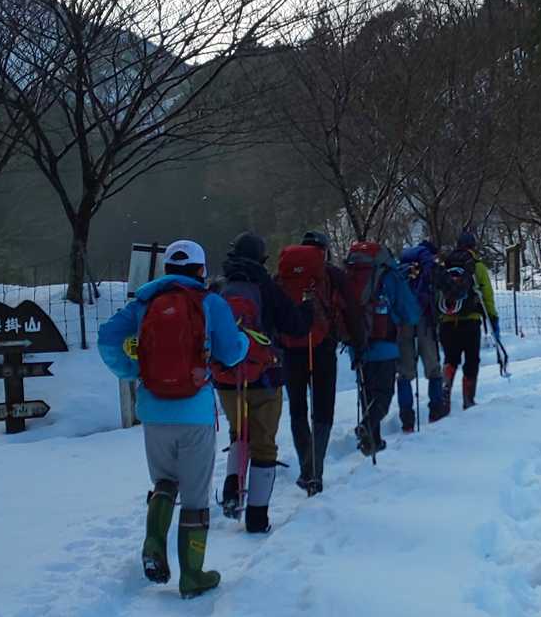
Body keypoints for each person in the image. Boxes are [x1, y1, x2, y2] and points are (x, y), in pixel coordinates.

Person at [98, 238, 248, 598]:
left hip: (153, 410)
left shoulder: (145, 303)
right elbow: (231, 353)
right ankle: (192, 576)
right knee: (195, 497)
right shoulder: (209, 302)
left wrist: (133, 370)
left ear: (166, 269)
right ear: (201, 269)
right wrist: (242, 340)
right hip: (195, 411)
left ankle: (154, 541)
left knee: (164, 482)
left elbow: (107, 338)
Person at [214, 231, 313, 533]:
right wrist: (307, 309)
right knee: (264, 445)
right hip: (265, 377)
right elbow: (295, 327)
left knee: (238, 433)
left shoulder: (219, 289)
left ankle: (233, 488)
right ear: (262, 258)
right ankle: (257, 518)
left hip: (227, 378)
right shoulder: (268, 289)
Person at [276, 231, 364, 496]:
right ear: (324, 250)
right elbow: (351, 309)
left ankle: (307, 467)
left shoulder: (283, 275)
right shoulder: (333, 275)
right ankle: (314, 472)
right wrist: (358, 343)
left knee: (298, 410)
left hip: (290, 349)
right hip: (323, 347)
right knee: (323, 410)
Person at [342, 239, 420, 456]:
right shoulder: (389, 275)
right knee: (383, 394)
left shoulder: (349, 274)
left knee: (367, 392)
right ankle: (366, 427)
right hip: (384, 342)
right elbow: (410, 311)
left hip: (357, 344)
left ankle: (373, 442)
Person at [436, 226, 501, 410]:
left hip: (447, 320)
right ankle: (468, 400)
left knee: (450, 359)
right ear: (473, 246)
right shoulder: (477, 266)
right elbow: (487, 294)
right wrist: (493, 317)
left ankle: (445, 393)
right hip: (471, 321)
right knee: (471, 360)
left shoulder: (445, 266)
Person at [396, 240, 446, 430]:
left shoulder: (402, 264)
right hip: (425, 320)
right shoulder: (429, 264)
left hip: (403, 322)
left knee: (404, 373)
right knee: (433, 368)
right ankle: (436, 410)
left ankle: (407, 419)